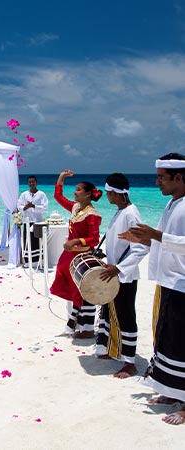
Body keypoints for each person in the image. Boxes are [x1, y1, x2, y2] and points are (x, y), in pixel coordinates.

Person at [119, 153, 185, 425]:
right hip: (169, 282)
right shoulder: (174, 203)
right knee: (168, 339)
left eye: (161, 177)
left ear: (178, 178)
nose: (157, 182)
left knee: (183, 343)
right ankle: (171, 391)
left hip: (182, 284)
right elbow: (164, 242)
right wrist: (141, 238)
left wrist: (155, 235)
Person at [95, 173, 148, 378]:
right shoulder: (121, 211)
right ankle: (112, 349)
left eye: (109, 193)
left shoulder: (131, 214)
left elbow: (141, 248)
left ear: (119, 194)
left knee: (126, 316)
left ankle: (129, 362)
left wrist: (118, 268)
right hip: (114, 274)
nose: (107, 196)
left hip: (125, 276)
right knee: (110, 312)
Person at [50, 170, 102, 338]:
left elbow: (94, 239)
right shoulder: (76, 208)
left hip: (81, 256)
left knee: (80, 291)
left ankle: (81, 325)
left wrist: (76, 241)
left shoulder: (92, 215)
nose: (75, 192)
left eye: (79, 189)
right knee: (69, 288)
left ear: (88, 194)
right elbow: (58, 197)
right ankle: (74, 321)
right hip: (69, 256)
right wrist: (61, 178)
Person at [17, 175, 49, 265]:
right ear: (28, 183)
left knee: (37, 241)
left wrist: (34, 206)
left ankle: (39, 261)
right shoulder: (24, 194)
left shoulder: (41, 194)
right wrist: (25, 207)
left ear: (36, 182)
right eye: (30, 182)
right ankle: (28, 262)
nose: (31, 183)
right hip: (27, 221)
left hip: (38, 221)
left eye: (33, 182)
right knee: (28, 241)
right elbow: (19, 206)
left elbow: (45, 207)